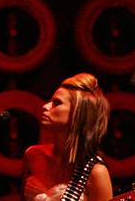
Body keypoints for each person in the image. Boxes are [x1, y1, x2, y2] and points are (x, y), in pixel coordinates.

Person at [22, 73, 113, 201]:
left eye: (56, 103)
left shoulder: (96, 172)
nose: (45, 106)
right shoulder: (32, 155)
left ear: (78, 113)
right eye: (50, 101)